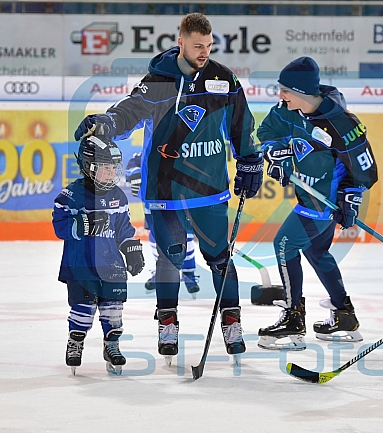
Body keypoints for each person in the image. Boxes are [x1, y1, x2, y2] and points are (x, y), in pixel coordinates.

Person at [74, 13, 262, 364]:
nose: (204, 52)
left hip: (209, 190)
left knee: (220, 257)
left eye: (208, 46)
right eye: (197, 46)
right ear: (181, 43)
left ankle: (232, 320)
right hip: (166, 191)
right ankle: (168, 320)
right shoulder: (159, 80)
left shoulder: (224, 79)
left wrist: (249, 159)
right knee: (170, 259)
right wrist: (104, 122)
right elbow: (128, 112)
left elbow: (241, 124)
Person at [255, 56, 378, 351]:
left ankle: (293, 317)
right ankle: (345, 315)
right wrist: (275, 153)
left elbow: (366, 170)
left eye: (285, 90)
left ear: (300, 92)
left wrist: (352, 195)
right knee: (316, 252)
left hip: (324, 204)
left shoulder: (342, 123)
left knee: (283, 244)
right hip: (307, 195)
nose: (280, 95)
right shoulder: (287, 111)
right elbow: (266, 134)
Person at [52, 136, 145, 375]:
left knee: (113, 309)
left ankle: (112, 345)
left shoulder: (119, 197)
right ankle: (76, 341)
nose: (111, 172)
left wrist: (131, 249)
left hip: (112, 265)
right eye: (105, 167)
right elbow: (60, 227)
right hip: (81, 265)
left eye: (114, 167)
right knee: (82, 308)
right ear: (88, 167)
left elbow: (124, 229)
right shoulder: (71, 194)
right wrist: (83, 223)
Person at [125, 152, 200, 296]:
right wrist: (135, 177)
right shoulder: (151, 147)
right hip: (155, 202)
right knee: (156, 237)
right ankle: (161, 270)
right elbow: (134, 161)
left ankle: (188, 273)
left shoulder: (184, 145)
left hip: (180, 201)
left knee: (187, 236)